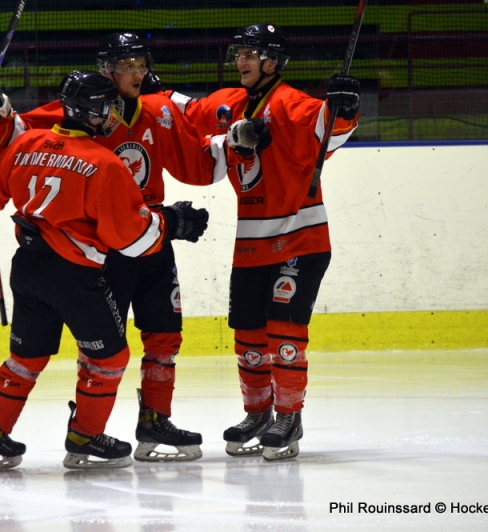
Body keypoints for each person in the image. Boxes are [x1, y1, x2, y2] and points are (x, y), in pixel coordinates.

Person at [0, 32, 265, 462]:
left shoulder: (158, 111)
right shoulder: (78, 116)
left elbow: (197, 165)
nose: (138, 73)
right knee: (103, 349)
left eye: (142, 64)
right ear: (107, 72)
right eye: (128, 66)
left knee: (165, 335)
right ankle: (87, 432)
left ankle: (154, 420)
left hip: (150, 236)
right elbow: (18, 133)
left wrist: (234, 146)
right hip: (106, 244)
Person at [179, 24, 361, 461]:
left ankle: (289, 415)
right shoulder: (231, 102)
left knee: (284, 329)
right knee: (247, 334)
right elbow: (187, 113)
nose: (240, 61)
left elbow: (330, 129)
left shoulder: (291, 103)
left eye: (250, 54)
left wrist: (346, 106)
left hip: (300, 239)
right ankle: (258, 413)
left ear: (273, 62)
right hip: (251, 243)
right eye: (239, 53)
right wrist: (155, 92)